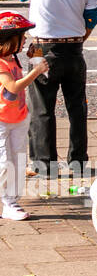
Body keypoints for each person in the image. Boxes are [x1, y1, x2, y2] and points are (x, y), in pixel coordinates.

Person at [16, 0, 97, 178]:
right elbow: (92, 16)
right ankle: (78, 162)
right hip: (73, 46)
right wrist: (80, 38)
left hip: (41, 45)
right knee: (76, 107)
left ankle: (44, 165)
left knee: (41, 107)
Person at [0, 13, 46, 220]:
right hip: (1, 120)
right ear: (9, 39)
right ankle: (7, 201)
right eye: (22, 36)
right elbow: (13, 86)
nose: (26, 39)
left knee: (17, 161)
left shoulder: (12, 57)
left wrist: (32, 56)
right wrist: (36, 71)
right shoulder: (1, 63)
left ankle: (11, 202)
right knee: (3, 163)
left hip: (18, 117)